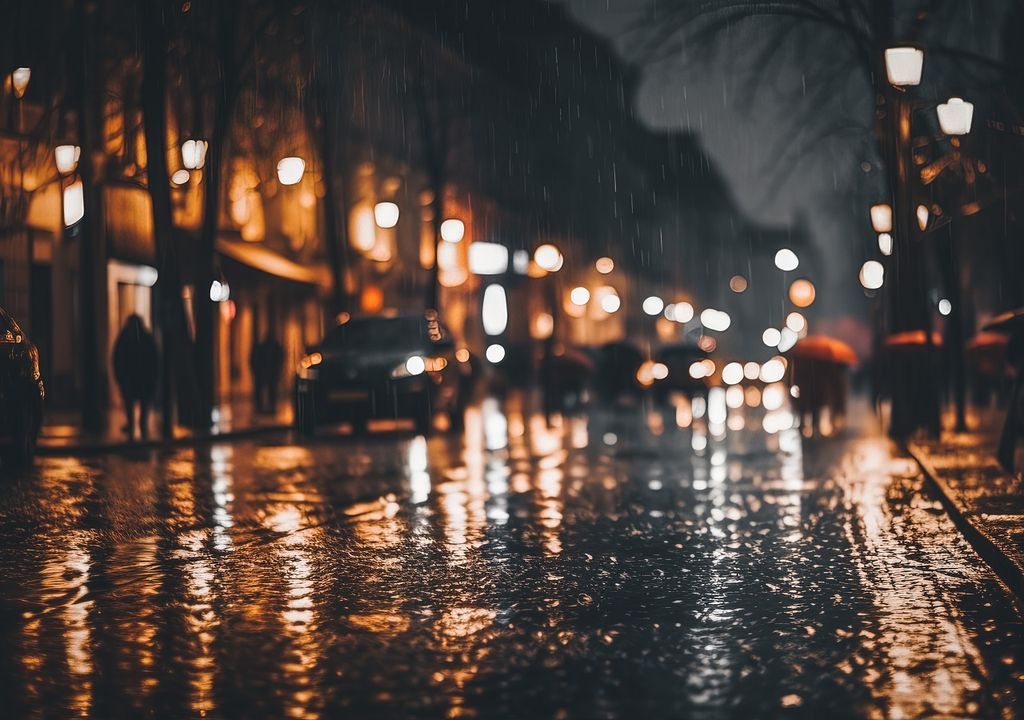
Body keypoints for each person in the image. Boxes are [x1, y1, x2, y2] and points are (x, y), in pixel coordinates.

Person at [112, 314, 159, 440]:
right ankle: (135, 424)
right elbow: (118, 359)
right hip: (134, 378)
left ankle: (139, 424)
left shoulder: (130, 338)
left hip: (140, 378)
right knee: (134, 402)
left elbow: (154, 359)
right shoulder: (134, 339)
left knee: (139, 402)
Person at [250, 334, 285, 414]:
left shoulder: (262, 348)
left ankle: (264, 407)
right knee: (268, 390)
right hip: (266, 372)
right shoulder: (263, 348)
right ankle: (263, 407)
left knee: (270, 390)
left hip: (268, 372)